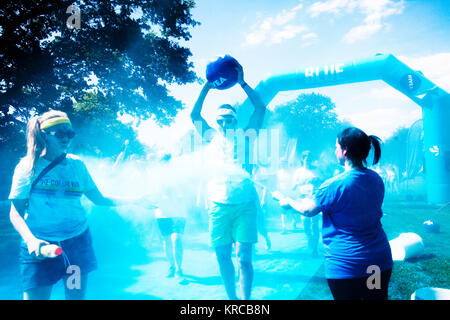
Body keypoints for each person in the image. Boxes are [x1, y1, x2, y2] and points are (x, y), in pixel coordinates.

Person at [8, 110, 155, 300]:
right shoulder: (28, 167)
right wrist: (31, 240)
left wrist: (135, 200)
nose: (66, 138)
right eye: (60, 133)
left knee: (74, 297)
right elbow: (15, 213)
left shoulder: (77, 165)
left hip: (75, 245)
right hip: (39, 246)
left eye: (70, 133)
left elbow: (99, 199)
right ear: (44, 135)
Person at [279, 127, 393, 300]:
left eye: (336, 147)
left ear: (344, 150)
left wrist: (288, 202)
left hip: (347, 266)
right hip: (377, 262)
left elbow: (308, 210)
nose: (334, 151)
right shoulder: (376, 179)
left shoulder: (333, 185)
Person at [190, 62, 266, 300]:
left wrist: (242, 82)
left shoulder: (247, 137)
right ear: (216, 122)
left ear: (235, 121)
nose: (224, 125)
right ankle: (232, 300)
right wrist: (207, 87)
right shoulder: (210, 137)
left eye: (229, 120)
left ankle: (245, 301)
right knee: (223, 256)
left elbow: (260, 109)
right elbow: (194, 115)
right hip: (218, 205)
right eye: (220, 120)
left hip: (244, 205)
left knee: (244, 259)